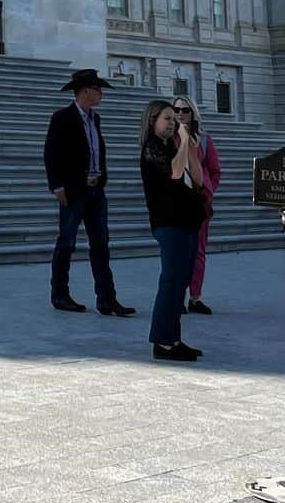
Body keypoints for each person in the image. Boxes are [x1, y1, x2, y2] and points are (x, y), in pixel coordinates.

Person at [43, 67, 135, 316]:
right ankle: (60, 294)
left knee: (101, 245)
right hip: (73, 191)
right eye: (97, 90)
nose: (101, 94)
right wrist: (57, 186)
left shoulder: (95, 118)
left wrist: (101, 177)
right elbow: (51, 154)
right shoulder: (62, 118)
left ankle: (107, 299)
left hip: (96, 191)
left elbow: (97, 150)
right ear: (85, 92)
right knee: (66, 242)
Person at [140, 98, 206, 362]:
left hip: (187, 221)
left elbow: (198, 179)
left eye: (174, 118)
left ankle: (173, 338)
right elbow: (176, 174)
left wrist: (189, 146)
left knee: (180, 282)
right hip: (169, 223)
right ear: (153, 120)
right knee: (171, 281)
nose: (173, 122)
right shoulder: (152, 148)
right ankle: (163, 341)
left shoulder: (171, 147)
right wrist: (181, 139)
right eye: (167, 118)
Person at [174, 95, 221, 315]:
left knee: (198, 251)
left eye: (185, 110)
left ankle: (195, 297)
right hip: (177, 203)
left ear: (193, 114)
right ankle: (177, 296)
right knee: (178, 251)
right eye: (177, 110)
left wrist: (208, 191)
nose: (181, 114)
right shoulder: (169, 138)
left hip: (199, 202)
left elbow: (214, 170)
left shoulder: (204, 140)